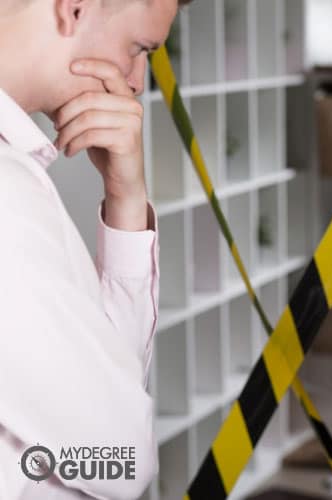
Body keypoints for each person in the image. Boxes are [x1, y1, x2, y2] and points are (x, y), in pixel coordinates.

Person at [0, 0, 190, 498]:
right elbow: (124, 462)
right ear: (76, 7)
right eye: (138, 48)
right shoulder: (7, 196)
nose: (136, 81)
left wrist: (126, 201)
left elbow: (113, 390)